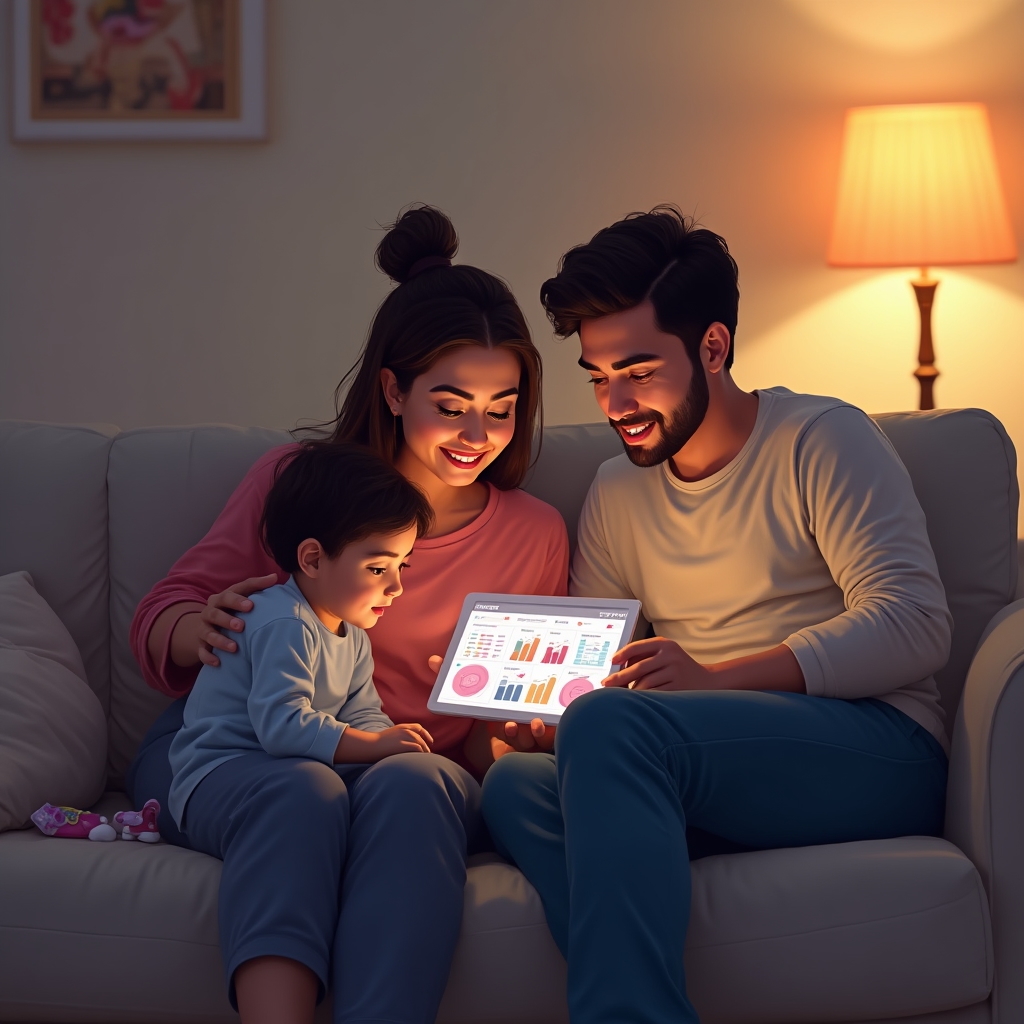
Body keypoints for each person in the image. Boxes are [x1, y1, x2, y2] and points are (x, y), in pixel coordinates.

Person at [481, 207, 952, 1024]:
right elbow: (599, 675)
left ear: (713, 346)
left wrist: (712, 681)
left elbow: (916, 624)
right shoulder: (617, 492)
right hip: (710, 764)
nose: (615, 401)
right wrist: (549, 723)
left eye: (638, 369)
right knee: (516, 784)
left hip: (874, 745)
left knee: (615, 733)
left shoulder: (822, 439)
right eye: (597, 376)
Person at [127, 205, 569, 1024]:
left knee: (417, 785)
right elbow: (160, 614)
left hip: (396, 761)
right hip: (236, 744)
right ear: (394, 389)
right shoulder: (301, 481)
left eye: (502, 407)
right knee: (300, 790)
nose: (479, 433)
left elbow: (487, 741)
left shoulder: (534, 534)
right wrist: (202, 625)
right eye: (452, 402)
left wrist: (502, 720)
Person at [168, 442, 437, 1013]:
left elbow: (363, 713)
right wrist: (372, 745)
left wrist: (393, 746)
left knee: (363, 784)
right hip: (221, 776)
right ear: (312, 559)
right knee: (309, 789)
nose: (396, 588)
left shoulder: (353, 636)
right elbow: (284, 728)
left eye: (402, 567)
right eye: (378, 567)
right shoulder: (279, 622)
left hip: (283, 772)